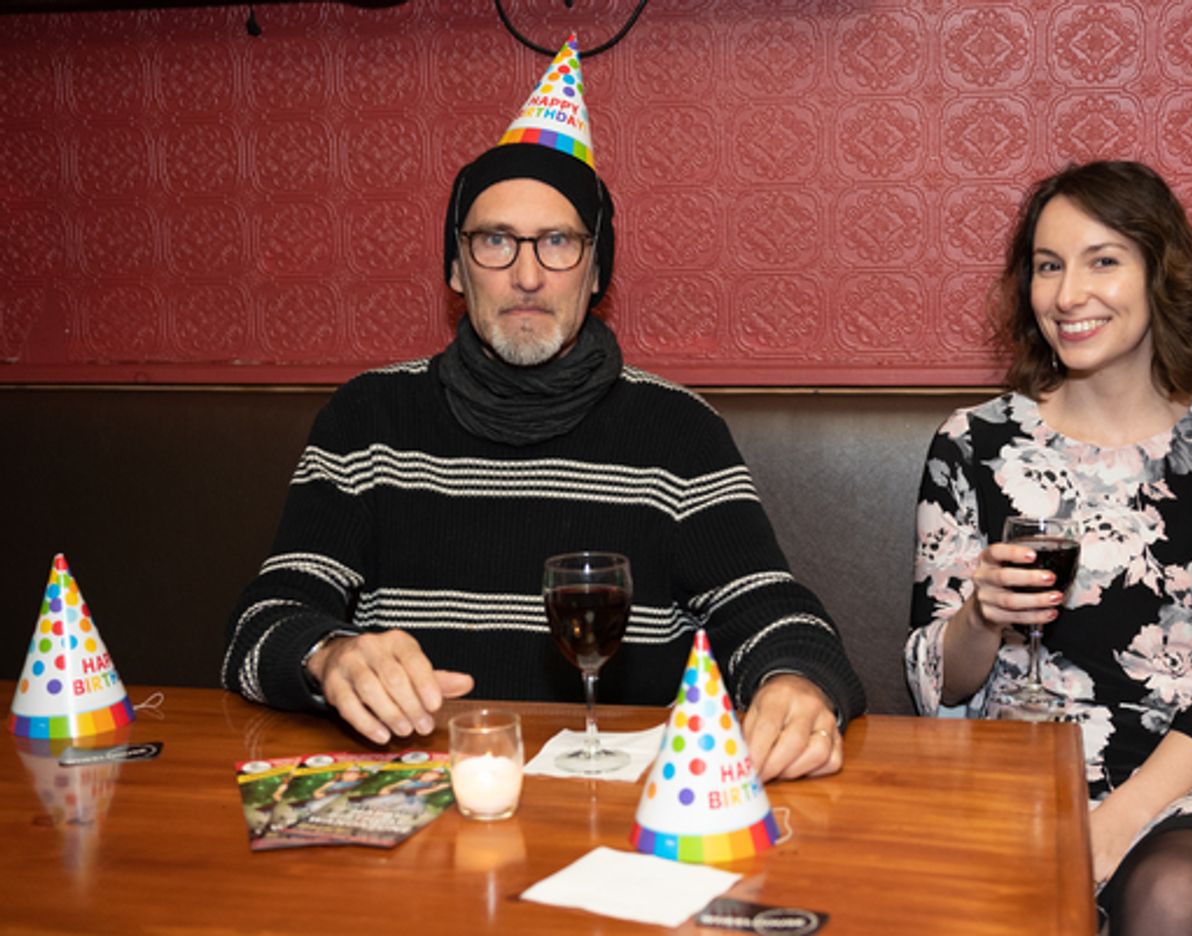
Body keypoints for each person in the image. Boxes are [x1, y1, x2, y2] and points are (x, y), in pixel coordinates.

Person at [222, 37, 865, 782]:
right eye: (495, 240)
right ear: (455, 268)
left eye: (558, 242)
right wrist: (325, 654)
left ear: (597, 271)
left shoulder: (677, 431)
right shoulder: (369, 420)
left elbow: (768, 609)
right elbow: (260, 623)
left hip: (625, 809)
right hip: (418, 797)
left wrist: (795, 680)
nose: (527, 274)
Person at [905, 161, 1192, 934]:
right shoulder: (972, 444)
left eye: (1104, 260)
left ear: (1160, 273)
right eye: (1048, 266)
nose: (1069, 296)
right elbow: (936, 688)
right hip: (1016, 780)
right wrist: (980, 616)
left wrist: (1109, 827)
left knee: (1173, 896)